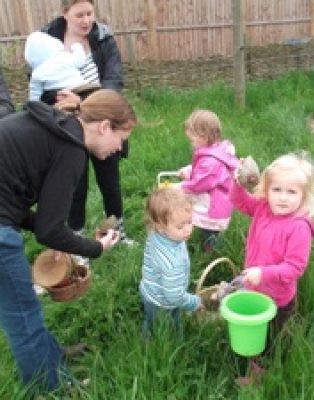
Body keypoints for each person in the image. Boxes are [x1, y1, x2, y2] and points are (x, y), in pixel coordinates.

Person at [0, 89, 137, 394]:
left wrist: (58, 236)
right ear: (104, 127)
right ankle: (53, 388)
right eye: (121, 138)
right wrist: (96, 248)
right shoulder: (71, 148)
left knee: (26, 308)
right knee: (22, 318)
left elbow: (17, 208)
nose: (119, 148)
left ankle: (50, 357)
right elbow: (49, 231)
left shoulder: (56, 128)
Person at [37, 0, 134, 256]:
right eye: (79, 15)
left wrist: (90, 101)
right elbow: (40, 83)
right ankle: (77, 239)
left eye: (89, 13)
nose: (86, 20)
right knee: (75, 185)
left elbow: (114, 80)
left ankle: (116, 231)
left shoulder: (103, 39)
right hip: (68, 126)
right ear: (64, 14)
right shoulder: (47, 42)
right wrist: (58, 98)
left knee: (110, 182)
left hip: (104, 122)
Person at [230, 152, 314, 385]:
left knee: (271, 337)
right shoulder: (263, 207)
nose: (282, 198)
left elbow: (294, 268)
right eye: (276, 189)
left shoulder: (299, 227)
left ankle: (261, 376)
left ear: (304, 195)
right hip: (255, 286)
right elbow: (240, 202)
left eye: (292, 192)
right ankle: (254, 358)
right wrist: (237, 182)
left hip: (277, 298)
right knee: (257, 330)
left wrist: (264, 273)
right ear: (266, 189)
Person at [139, 188, 202, 335]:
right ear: (160, 226)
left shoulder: (157, 234)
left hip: (150, 290)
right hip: (161, 301)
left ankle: (150, 333)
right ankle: (155, 344)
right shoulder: (172, 263)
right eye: (180, 226)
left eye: (190, 221)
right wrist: (194, 302)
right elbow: (173, 297)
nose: (188, 230)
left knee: (151, 321)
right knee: (162, 329)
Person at [177, 109, 239, 251]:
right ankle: (207, 247)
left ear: (203, 136)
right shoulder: (217, 150)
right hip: (220, 200)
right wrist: (189, 170)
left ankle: (209, 253)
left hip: (214, 205)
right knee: (209, 231)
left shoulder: (211, 161)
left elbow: (201, 183)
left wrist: (181, 185)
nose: (191, 143)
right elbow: (203, 171)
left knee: (210, 233)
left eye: (192, 140)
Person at [24, 31, 89, 101]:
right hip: (77, 87)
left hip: (54, 95)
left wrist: (34, 104)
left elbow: (35, 92)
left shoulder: (37, 74)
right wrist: (77, 47)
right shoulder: (66, 57)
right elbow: (80, 60)